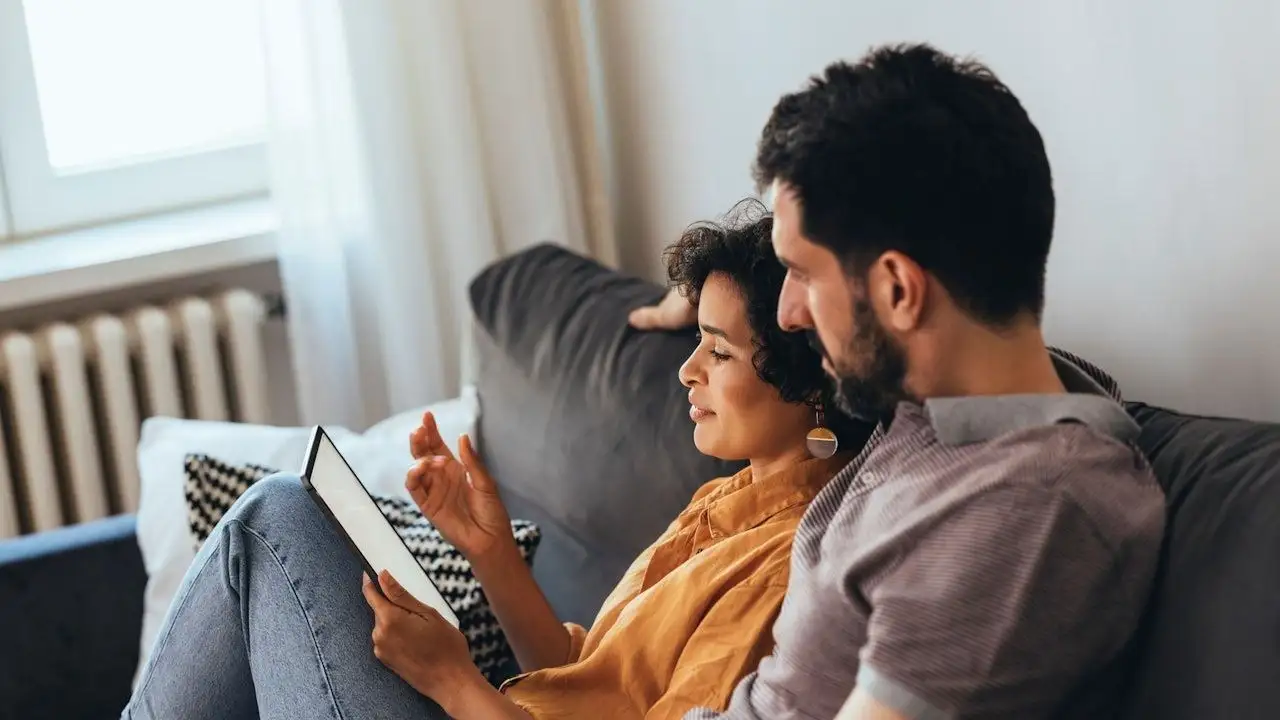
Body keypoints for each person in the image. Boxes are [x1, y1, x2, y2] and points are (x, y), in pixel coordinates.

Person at [122, 204, 874, 720]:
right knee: (280, 519)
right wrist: (487, 551)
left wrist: (453, 677)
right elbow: (581, 679)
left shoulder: (784, 571)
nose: (687, 372)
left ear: (808, 379)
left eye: (717, 351)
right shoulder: (724, 504)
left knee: (275, 518)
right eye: (694, 344)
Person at [643, 44, 1162, 719]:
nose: (789, 314)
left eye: (801, 274)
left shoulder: (1024, 514)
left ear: (896, 290)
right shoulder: (956, 396)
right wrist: (699, 305)